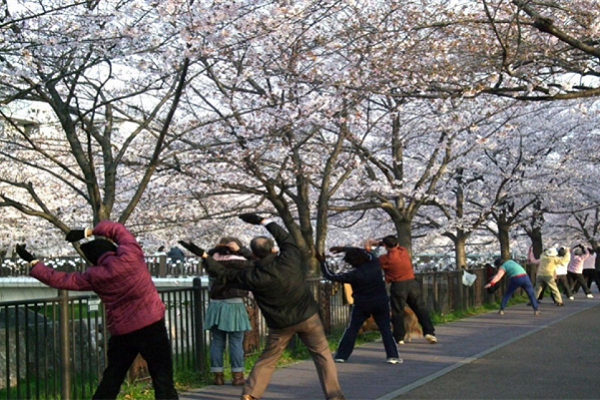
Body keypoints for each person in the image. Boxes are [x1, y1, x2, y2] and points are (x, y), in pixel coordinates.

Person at [179, 213, 345, 400]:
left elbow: (223, 274)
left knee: (267, 360)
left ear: (255, 254)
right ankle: (334, 395)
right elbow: (286, 239)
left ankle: (250, 394)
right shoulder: (289, 259)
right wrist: (263, 221)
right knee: (322, 355)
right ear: (273, 249)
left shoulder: (252, 276)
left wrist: (204, 255)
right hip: (308, 317)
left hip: (280, 324)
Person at [15, 221, 178, 400]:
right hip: (152, 324)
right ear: (112, 248)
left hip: (123, 331)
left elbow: (60, 279)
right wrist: (87, 232)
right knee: (162, 377)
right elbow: (118, 230)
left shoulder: (94, 276)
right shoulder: (131, 254)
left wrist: (34, 262)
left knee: (112, 377)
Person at [321, 246, 401, 364]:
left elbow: (331, 276)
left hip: (362, 304)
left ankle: (341, 355)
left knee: (352, 329)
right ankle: (392, 356)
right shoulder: (374, 264)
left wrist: (322, 262)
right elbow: (365, 252)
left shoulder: (354, 275)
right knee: (385, 329)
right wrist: (345, 248)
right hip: (380, 302)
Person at [364, 236, 437, 345]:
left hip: (398, 286)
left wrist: (368, 248)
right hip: (412, 283)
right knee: (420, 308)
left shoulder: (386, 259)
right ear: (397, 244)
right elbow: (394, 245)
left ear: (386, 246)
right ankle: (429, 332)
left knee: (397, 311)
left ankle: (399, 337)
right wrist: (381, 243)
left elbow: (371, 261)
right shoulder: (403, 252)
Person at [205, 237, 254, 386]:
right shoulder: (242, 261)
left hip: (216, 304)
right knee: (235, 341)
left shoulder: (212, 260)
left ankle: (218, 376)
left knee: (217, 341)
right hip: (235, 303)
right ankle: (237, 376)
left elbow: (210, 282)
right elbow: (256, 267)